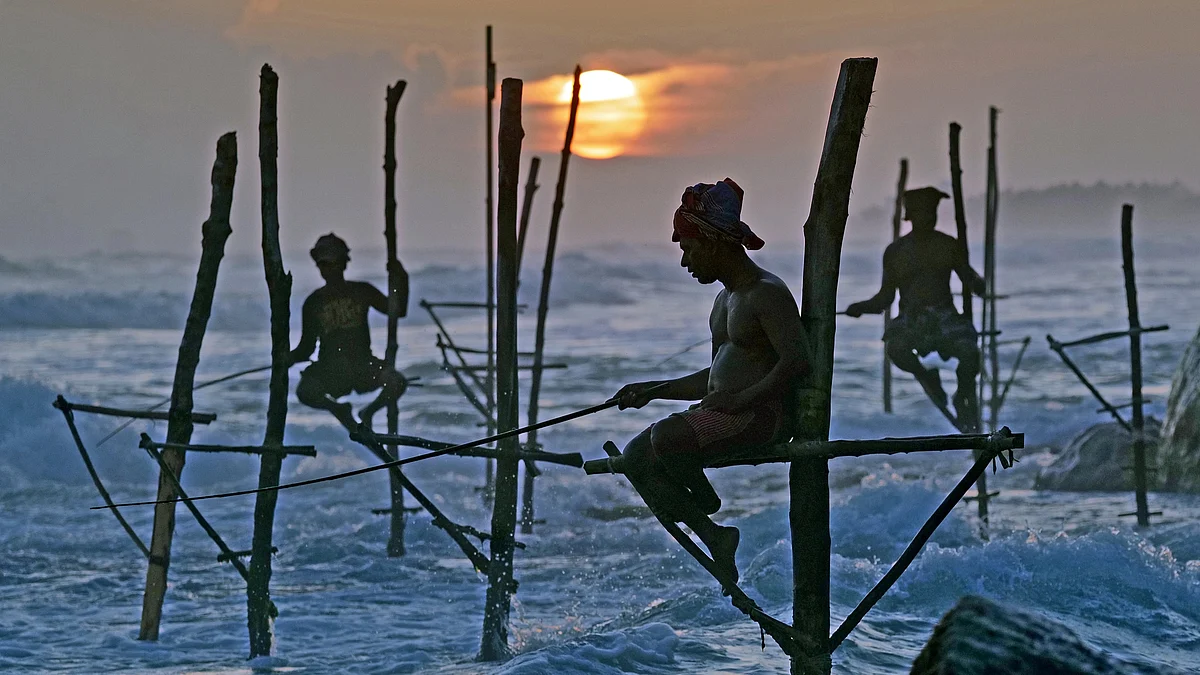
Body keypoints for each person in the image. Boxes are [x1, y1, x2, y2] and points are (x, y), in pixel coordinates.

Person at [612, 179, 809, 585]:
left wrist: (745, 399)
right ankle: (716, 536)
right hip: (724, 412)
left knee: (666, 438)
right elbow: (716, 377)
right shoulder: (724, 302)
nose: (685, 262)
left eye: (688, 249)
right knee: (634, 457)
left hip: (761, 416)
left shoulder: (766, 293)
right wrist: (653, 389)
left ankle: (704, 500)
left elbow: (797, 362)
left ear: (714, 242)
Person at [844, 186, 986, 424]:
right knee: (895, 348)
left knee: (970, 354)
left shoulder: (948, 245)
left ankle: (962, 395)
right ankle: (928, 377)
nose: (928, 218)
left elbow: (968, 277)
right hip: (911, 318)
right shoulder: (896, 252)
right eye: (921, 212)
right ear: (909, 216)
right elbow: (885, 298)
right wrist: (861, 307)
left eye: (931, 212)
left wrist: (978, 284)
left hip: (945, 316)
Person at [289, 233, 409, 430]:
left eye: (333, 263)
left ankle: (368, 412)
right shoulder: (313, 303)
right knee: (305, 392)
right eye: (323, 265)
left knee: (396, 382)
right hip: (330, 370)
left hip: (363, 365)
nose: (328, 269)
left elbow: (397, 310)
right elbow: (307, 348)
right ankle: (338, 409)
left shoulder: (362, 291)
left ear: (344, 264)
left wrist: (401, 278)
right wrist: (288, 357)